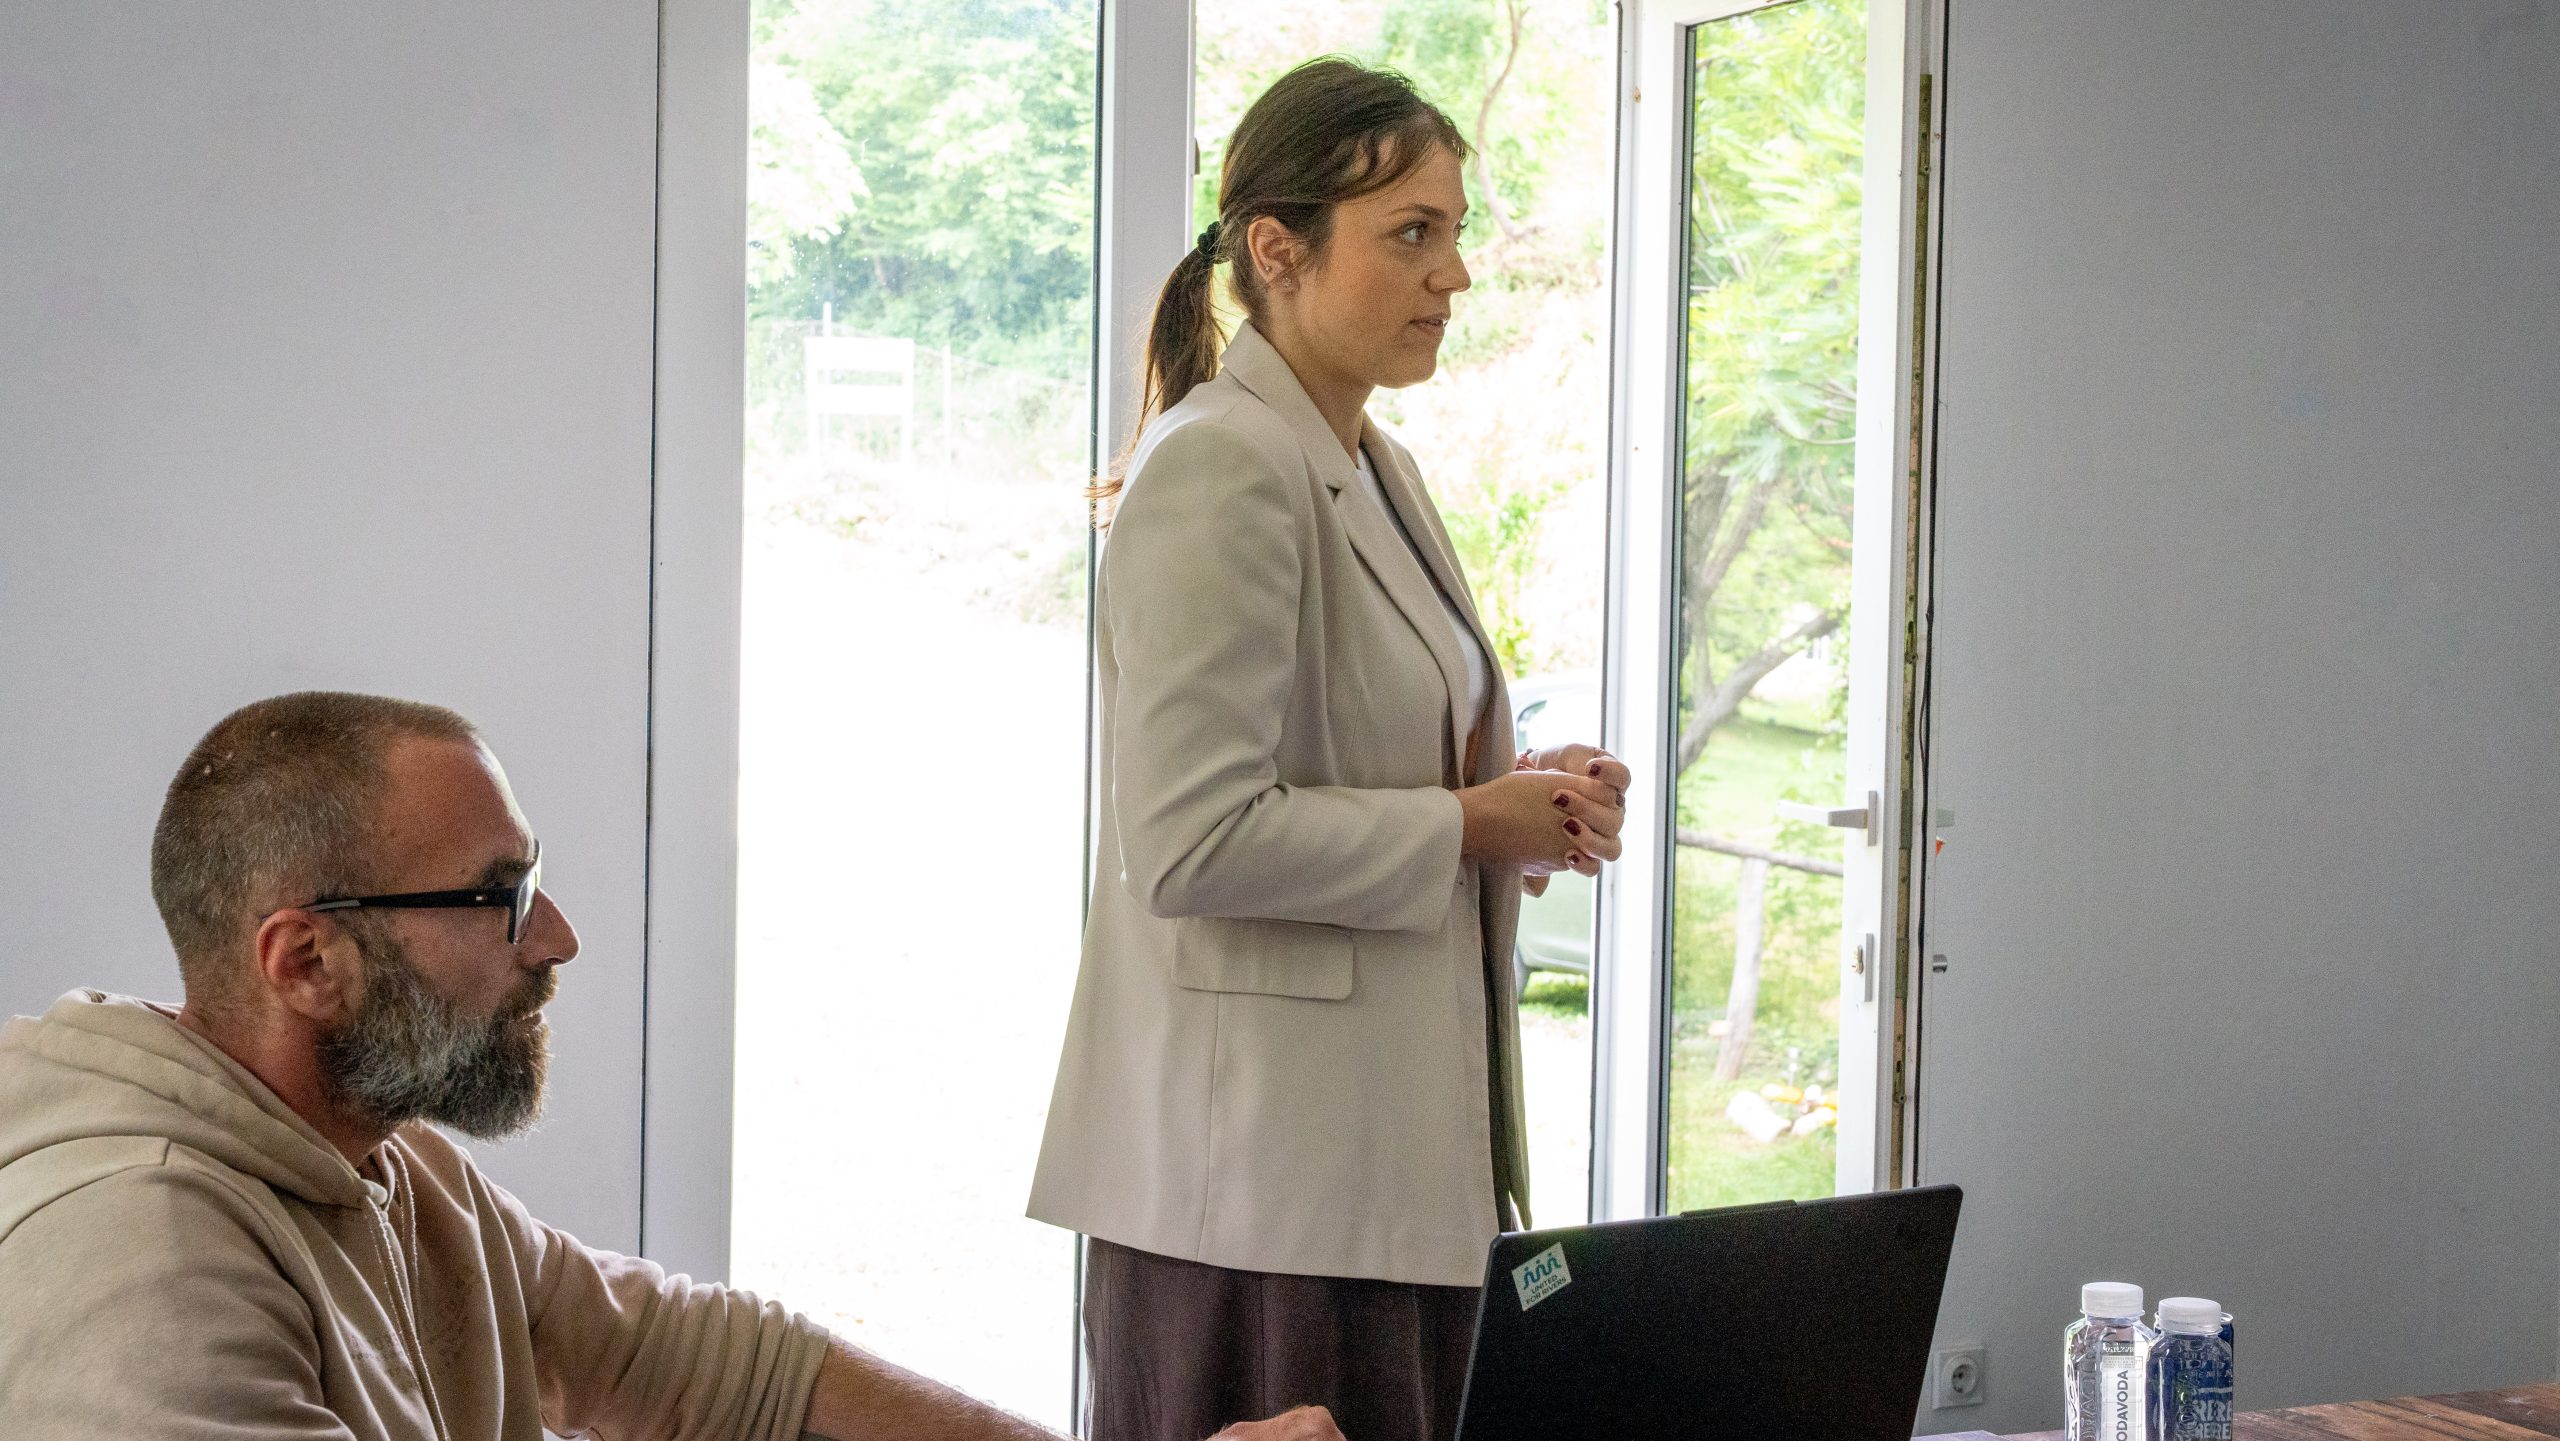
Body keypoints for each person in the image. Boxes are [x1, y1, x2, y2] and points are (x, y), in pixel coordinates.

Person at [0, 691, 1339, 1441]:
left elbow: (716, 1365)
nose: (558, 939)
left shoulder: (396, 1170)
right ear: (306, 961)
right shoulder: (145, 1265)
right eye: (501, 898)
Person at [1028, 57, 1634, 1441]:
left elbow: (1374, 758)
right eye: (1411, 233)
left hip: (1381, 1179)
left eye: (1455, 231)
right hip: (1260, 1209)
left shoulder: (1374, 463)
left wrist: (1526, 793)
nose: (1453, 274)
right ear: (1277, 249)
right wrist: (1472, 823)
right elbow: (1191, 841)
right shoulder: (1221, 464)